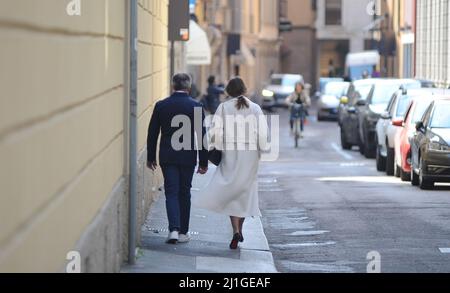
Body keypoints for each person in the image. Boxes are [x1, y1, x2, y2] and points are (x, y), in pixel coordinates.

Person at [193, 77, 269, 250]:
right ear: (244, 89)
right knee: (244, 192)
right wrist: (261, 149)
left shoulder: (224, 107)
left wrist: (214, 147)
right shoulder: (255, 108)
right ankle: (239, 229)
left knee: (230, 190)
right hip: (250, 156)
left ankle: (235, 230)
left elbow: (215, 132)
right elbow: (263, 135)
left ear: (228, 91)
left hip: (230, 154)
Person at [147, 73, 209, 245]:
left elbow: (153, 133)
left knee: (171, 192)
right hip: (187, 157)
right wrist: (204, 162)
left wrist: (151, 156)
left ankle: (173, 229)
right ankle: (183, 232)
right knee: (184, 192)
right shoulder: (196, 106)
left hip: (168, 156)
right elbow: (202, 136)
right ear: (188, 87)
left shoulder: (161, 106)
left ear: (173, 85)